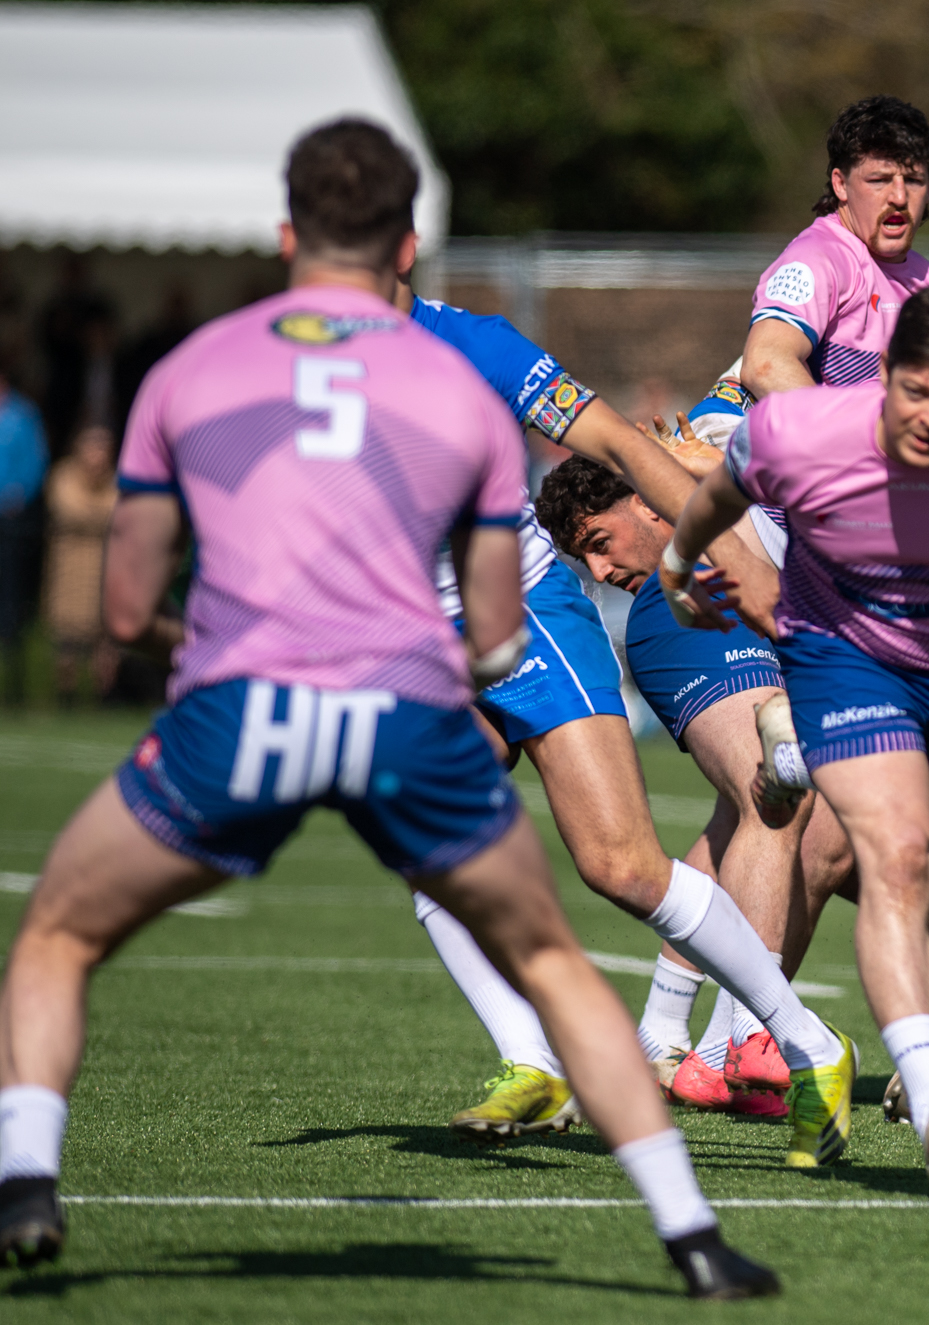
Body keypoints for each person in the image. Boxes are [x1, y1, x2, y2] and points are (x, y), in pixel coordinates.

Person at [0, 118, 777, 1297]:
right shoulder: (454, 380)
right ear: (409, 238)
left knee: (57, 932)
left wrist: (182, 631)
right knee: (554, 951)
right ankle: (692, 1235)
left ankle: (25, 1183)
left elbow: (120, 612)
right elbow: (489, 604)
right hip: (405, 705)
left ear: (281, 236)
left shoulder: (195, 368)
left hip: (247, 702)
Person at [385, 235, 853, 1161]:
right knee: (425, 843)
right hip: (419, 640)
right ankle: (534, 1064)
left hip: (521, 615)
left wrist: (734, 562)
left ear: (400, 248)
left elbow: (617, 445)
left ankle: (805, 1043)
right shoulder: (297, 354)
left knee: (623, 867)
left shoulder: (475, 345)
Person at [662, 286, 929, 1193]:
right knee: (896, 860)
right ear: (884, 376)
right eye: (917, 393)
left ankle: (795, 761)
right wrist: (674, 567)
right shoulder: (802, 432)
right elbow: (710, 495)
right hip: (842, 659)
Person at [42, 425, 120, 704]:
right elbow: (69, 509)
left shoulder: (117, 482)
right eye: (92, 448)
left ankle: (102, 701)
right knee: (67, 643)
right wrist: (101, 515)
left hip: (105, 572)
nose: (97, 456)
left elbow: (119, 512)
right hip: (69, 573)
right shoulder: (63, 477)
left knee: (105, 646)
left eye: (103, 449)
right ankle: (67, 699)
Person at [0, 364, 47, 706]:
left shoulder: (23, 415)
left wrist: (17, 494)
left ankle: (13, 680)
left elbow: (35, 461)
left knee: (11, 598)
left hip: (10, 520)